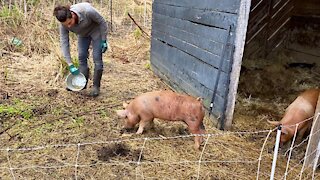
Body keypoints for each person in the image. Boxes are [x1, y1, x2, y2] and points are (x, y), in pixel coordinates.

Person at [53, 2, 108, 97]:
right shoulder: (64, 24)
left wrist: (104, 39)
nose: (69, 26)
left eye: (70, 23)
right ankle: (82, 83)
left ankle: (96, 86)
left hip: (96, 32)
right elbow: (64, 43)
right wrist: (70, 64)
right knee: (81, 56)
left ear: (72, 15)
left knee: (97, 58)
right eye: (66, 25)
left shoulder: (87, 11)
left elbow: (102, 22)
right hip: (83, 35)